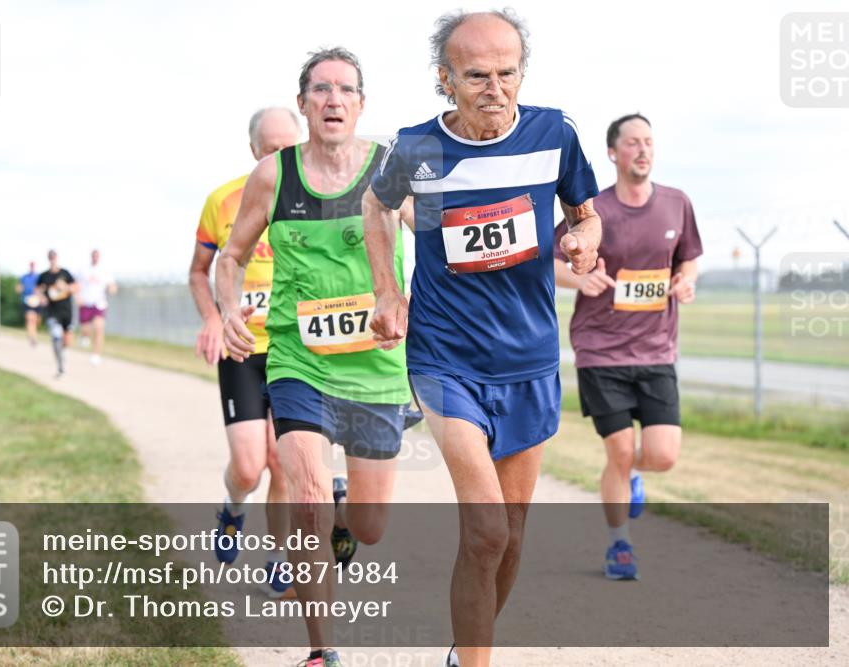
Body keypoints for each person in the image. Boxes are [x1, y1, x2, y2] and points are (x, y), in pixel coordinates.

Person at [363, 10, 601, 667]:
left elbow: (587, 213)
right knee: (487, 527)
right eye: (477, 76)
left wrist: (583, 239)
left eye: (508, 73)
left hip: (529, 360)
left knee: (512, 535)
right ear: (445, 79)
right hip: (445, 359)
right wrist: (388, 290)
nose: (496, 87)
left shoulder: (555, 133)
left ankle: (462, 651)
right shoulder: (416, 147)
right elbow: (377, 207)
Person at [217, 48, 414, 667]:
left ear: (361, 104)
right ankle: (322, 651)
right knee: (304, 498)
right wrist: (227, 311)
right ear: (303, 103)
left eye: (345, 90)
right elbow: (231, 257)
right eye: (320, 90)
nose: (333, 100)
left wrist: (411, 303)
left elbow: (437, 243)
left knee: (371, 523)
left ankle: (344, 523)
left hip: (377, 365)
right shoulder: (274, 176)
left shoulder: (391, 170)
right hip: (299, 360)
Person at [553, 113, 701, 580]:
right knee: (618, 451)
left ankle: (629, 476)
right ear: (613, 153)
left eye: (649, 143)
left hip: (657, 350)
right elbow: (551, 263)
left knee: (662, 456)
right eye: (633, 143)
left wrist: (685, 281)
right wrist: (580, 275)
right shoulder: (592, 210)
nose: (643, 150)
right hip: (601, 351)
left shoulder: (676, 203)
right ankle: (620, 546)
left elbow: (690, 258)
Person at [189, 107, 300, 597]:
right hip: (242, 347)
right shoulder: (224, 200)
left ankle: (279, 555)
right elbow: (199, 270)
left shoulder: (317, 197)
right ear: (254, 150)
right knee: (251, 466)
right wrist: (214, 316)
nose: (279, 157)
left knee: (285, 460)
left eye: (287, 148)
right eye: (270, 149)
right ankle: (234, 507)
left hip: (297, 351)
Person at [36, 250, 77, 377]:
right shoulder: (44, 276)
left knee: (67, 340)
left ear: (57, 258)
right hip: (52, 311)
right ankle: (60, 367)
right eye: (50, 257)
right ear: (48, 258)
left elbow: (75, 287)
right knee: (56, 336)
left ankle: (62, 352)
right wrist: (41, 297)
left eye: (54, 257)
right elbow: (37, 290)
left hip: (66, 310)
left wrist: (65, 287)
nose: (52, 259)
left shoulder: (65, 273)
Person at [76, 249, 117, 366]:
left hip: (99, 303)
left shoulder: (105, 271)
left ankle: (96, 354)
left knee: (99, 328)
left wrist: (112, 289)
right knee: (86, 329)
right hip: (85, 303)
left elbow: (112, 285)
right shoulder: (83, 270)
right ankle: (84, 336)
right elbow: (76, 285)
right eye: (94, 256)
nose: (95, 258)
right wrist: (77, 297)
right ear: (91, 257)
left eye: (97, 256)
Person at [15, 261, 41, 346]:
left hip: (36, 301)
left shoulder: (39, 277)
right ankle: (32, 337)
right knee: (30, 319)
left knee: (36, 320)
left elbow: (42, 288)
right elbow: (19, 287)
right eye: (31, 266)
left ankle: (32, 334)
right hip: (27, 300)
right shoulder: (24, 277)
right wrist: (19, 289)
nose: (32, 267)